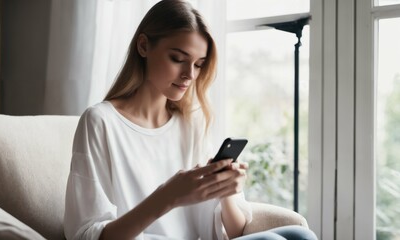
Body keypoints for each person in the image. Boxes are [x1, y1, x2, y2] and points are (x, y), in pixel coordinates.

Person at [64, 1, 318, 239]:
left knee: (301, 235)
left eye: (198, 64)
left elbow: (236, 232)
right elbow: (88, 234)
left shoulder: (190, 125)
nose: (189, 75)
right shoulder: (101, 122)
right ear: (143, 46)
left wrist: (226, 192)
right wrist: (168, 196)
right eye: (178, 59)